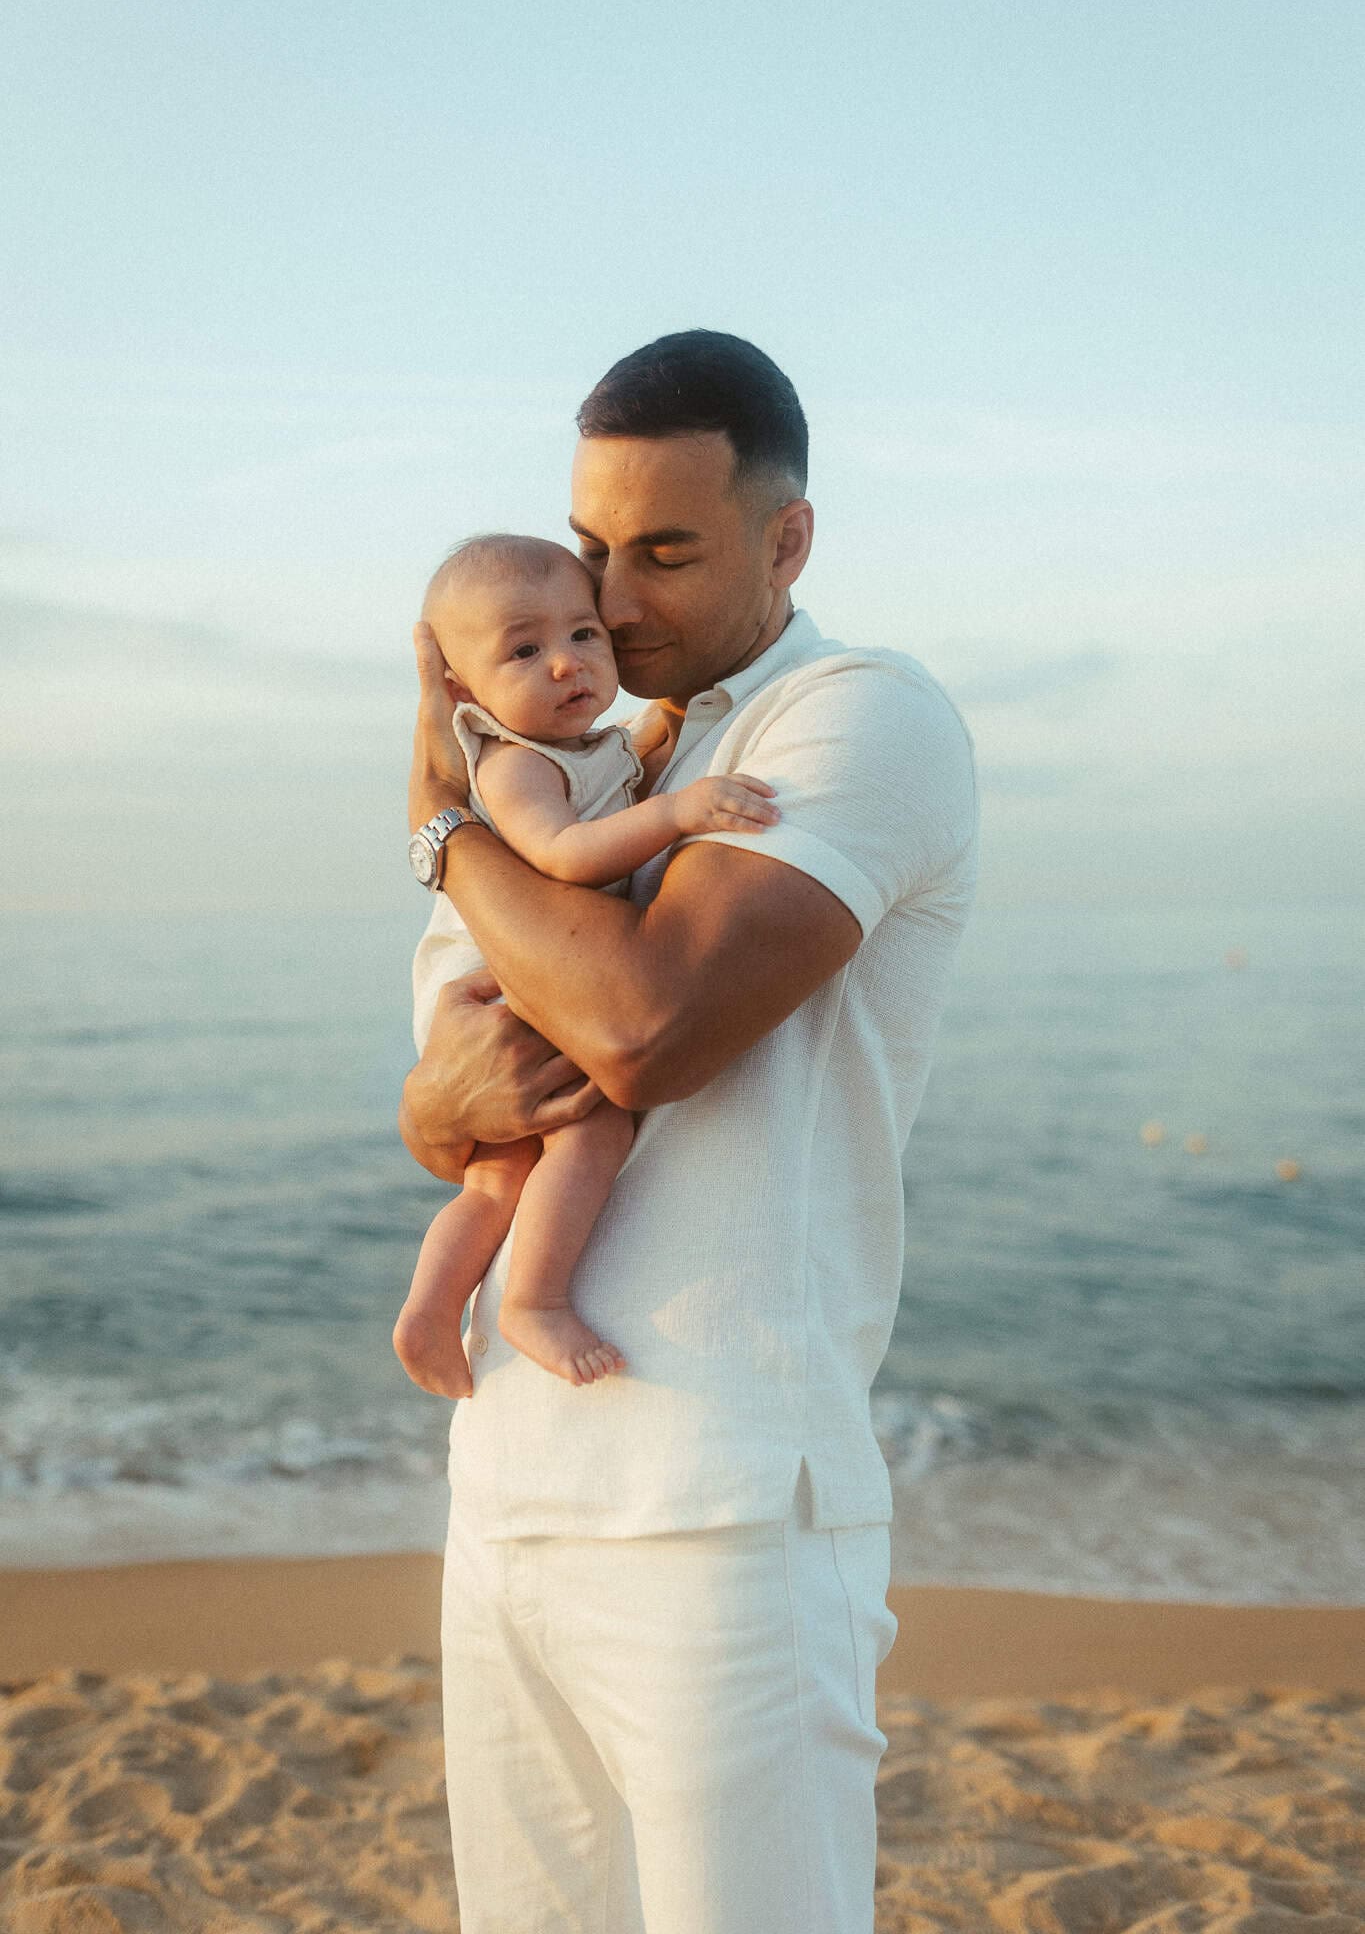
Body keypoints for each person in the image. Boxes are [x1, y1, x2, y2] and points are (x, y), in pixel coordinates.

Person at [401, 330, 978, 1933]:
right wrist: (438, 1103)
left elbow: (641, 1030)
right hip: (509, 1481)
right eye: (590, 546)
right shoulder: (595, 760)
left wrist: (436, 825)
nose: (612, 598)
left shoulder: (854, 715)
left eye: (664, 551)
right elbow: (458, 1105)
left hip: (720, 1508)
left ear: (788, 540)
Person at [393, 531, 780, 1397]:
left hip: (502, 976)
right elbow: (565, 856)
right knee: (592, 1130)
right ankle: (533, 1302)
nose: (566, 663)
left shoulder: (592, 746)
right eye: (524, 651)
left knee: (496, 1179)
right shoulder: (516, 765)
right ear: (461, 689)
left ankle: (429, 1311)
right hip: (498, 982)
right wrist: (677, 813)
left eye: (582, 634)